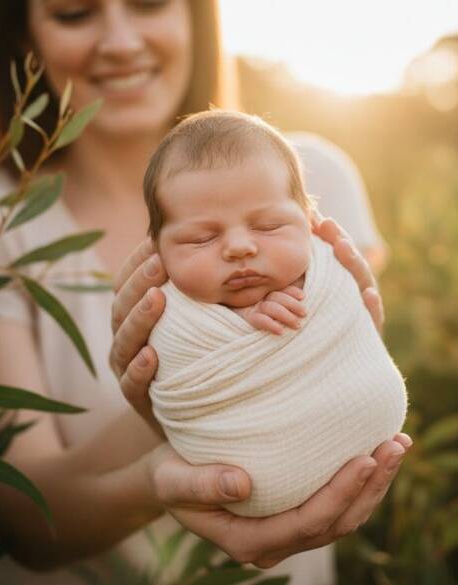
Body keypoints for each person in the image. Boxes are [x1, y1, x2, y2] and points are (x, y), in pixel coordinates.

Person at [0, 1, 412, 583]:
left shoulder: (309, 177)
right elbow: (21, 516)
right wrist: (166, 443)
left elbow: (346, 399)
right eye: (74, 13)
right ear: (21, 37)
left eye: (148, 3)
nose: (120, 41)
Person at [143, 109, 409, 519]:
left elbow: (344, 312)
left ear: (308, 222)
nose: (238, 247)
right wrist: (238, 320)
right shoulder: (160, 301)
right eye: (202, 237)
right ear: (157, 249)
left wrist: (313, 300)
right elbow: (174, 344)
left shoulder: (323, 259)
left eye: (267, 226)